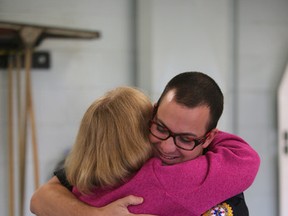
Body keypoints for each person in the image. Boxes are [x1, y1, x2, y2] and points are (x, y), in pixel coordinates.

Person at [30, 72, 260, 216]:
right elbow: (41, 198)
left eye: (186, 139)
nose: (167, 147)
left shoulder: (93, 176)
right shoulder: (119, 161)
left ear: (208, 137)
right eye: (160, 127)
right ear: (152, 112)